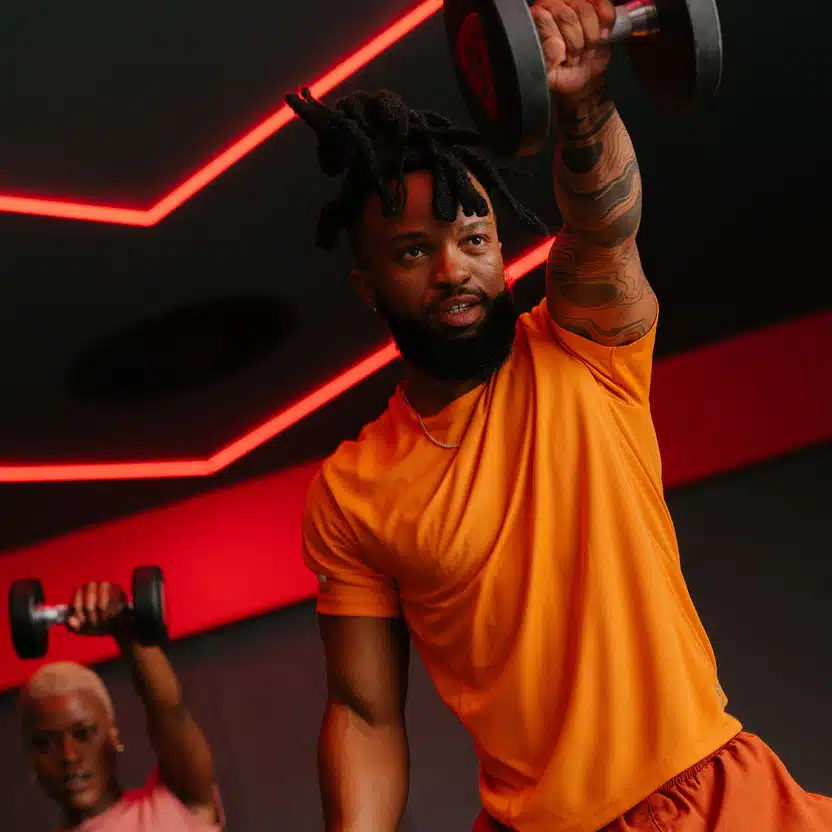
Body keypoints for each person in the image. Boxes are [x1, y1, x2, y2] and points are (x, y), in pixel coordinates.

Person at [286, 0, 832, 830]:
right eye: (413, 251)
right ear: (369, 285)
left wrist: (582, 103)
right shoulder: (352, 491)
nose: (453, 269)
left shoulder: (581, 347)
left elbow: (604, 227)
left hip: (716, 801)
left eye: (474, 238)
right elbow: (364, 716)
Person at [19, 580, 223, 831]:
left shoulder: (177, 803)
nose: (69, 756)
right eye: (45, 744)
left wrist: (124, 628)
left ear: (113, 738)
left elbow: (169, 711)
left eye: (83, 734)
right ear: (31, 760)